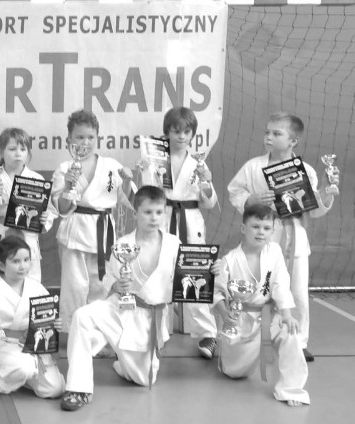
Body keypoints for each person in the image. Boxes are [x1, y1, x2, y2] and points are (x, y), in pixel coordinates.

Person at [227, 112, 338, 362]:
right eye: (267, 132)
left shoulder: (305, 171)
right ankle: (249, 338)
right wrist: (251, 200)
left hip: (294, 236)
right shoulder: (253, 166)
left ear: (293, 141)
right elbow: (234, 191)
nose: (268, 137)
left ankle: (298, 341)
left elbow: (313, 209)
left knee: (297, 291)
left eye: (276, 133)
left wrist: (325, 193)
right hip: (261, 235)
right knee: (257, 288)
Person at [60, 186, 179, 411]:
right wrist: (116, 285)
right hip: (120, 309)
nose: (154, 218)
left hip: (148, 319)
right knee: (83, 316)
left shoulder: (174, 245)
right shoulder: (122, 244)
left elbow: (186, 280)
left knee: (143, 379)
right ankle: (78, 389)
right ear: (136, 213)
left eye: (159, 212)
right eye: (148, 212)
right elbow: (109, 282)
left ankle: (122, 363)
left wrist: (210, 271)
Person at [138, 107, 219, 359]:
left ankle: (208, 334)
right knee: (160, 274)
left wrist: (206, 182)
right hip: (162, 219)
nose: (181, 136)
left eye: (186, 131)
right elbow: (147, 193)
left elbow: (209, 203)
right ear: (167, 132)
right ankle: (158, 332)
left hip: (190, 223)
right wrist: (146, 170)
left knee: (195, 276)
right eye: (176, 131)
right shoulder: (155, 158)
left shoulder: (198, 164)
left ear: (192, 134)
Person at [212, 203, 309, 406]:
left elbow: (281, 283)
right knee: (234, 372)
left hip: (269, 315)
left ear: (273, 231)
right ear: (243, 228)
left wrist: (286, 315)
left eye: (266, 228)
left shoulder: (274, 251)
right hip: (240, 319)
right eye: (255, 227)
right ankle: (228, 355)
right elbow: (217, 293)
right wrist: (225, 314)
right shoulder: (230, 260)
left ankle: (291, 390)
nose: (261, 232)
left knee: (290, 332)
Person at [51, 109, 134, 332]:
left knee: (101, 285)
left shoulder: (111, 166)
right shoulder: (64, 169)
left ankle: (101, 331)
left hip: (103, 232)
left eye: (90, 137)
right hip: (75, 233)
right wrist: (68, 185)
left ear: (97, 138)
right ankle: (73, 332)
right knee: (74, 287)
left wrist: (126, 182)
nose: (85, 142)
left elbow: (126, 200)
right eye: (79, 137)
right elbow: (62, 208)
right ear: (69, 140)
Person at [0, 236, 66, 398]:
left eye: (26, 260)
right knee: (24, 366)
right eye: (16, 261)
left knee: (55, 389)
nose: (22, 266)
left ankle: (23, 376)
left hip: (33, 345)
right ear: (1, 265)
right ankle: (4, 382)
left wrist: (54, 324)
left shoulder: (36, 287)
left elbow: (46, 316)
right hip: (5, 345)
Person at [0, 128, 54, 283]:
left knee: (31, 283)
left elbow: (48, 213)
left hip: (27, 236)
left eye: (23, 149)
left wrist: (44, 218)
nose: (18, 153)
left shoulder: (37, 179)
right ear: (1, 152)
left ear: (28, 153)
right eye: (12, 149)